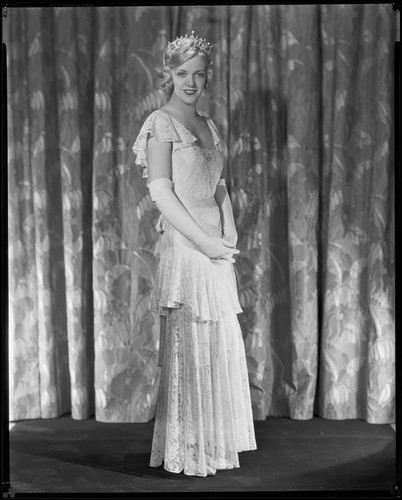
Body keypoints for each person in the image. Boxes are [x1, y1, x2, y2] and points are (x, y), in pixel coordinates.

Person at [132, 31, 256, 477]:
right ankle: (187, 449)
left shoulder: (210, 125)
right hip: (187, 251)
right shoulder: (160, 123)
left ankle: (214, 445)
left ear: (207, 78)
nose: (190, 82)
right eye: (182, 73)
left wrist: (229, 226)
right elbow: (162, 193)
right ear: (169, 73)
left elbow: (219, 183)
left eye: (198, 75)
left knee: (217, 348)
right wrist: (204, 244)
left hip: (215, 249)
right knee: (191, 352)